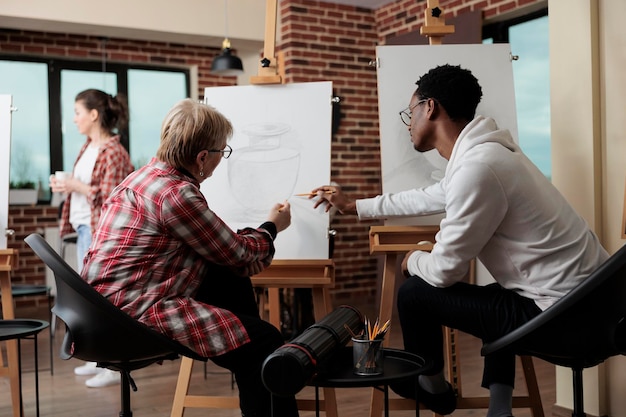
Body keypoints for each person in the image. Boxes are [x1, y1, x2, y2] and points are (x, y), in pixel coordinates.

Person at [309, 64, 609, 417]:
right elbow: (428, 196)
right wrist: (354, 206)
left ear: (430, 108)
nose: (409, 123)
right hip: (595, 305)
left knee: (415, 293)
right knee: (496, 297)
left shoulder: (478, 168)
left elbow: (444, 272)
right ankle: (500, 408)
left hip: (566, 322)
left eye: (411, 112)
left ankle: (434, 390)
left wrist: (412, 258)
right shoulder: (489, 154)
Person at [80, 98, 298, 417]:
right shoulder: (176, 194)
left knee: (225, 274)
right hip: (131, 315)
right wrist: (271, 227)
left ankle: (244, 354)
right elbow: (241, 254)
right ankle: (254, 360)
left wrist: (240, 248)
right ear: (201, 158)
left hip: (98, 308)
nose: (221, 160)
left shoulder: (143, 177)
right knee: (266, 342)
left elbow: (228, 253)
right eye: (222, 153)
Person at [49, 88, 134, 388]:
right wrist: (68, 187)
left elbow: (113, 199)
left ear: (94, 115)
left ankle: (113, 366)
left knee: (104, 299)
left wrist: (77, 186)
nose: (74, 119)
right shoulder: (87, 147)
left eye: (77, 112)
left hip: (102, 232)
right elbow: (85, 189)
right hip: (86, 228)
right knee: (92, 297)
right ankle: (101, 360)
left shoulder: (113, 151)